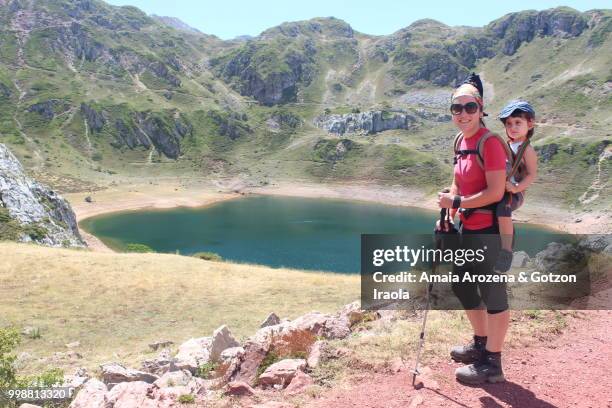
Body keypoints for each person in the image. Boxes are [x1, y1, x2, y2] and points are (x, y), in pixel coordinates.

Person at [437, 72, 510, 384]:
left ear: (481, 109)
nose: (463, 114)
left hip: (489, 231)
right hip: (468, 228)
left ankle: (493, 364)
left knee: (493, 294)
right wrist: (449, 207)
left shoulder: (490, 143)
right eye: (457, 108)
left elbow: (495, 192)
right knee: (463, 286)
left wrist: (458, 203)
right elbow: (458, 178)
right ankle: (480, 345)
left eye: (470, 107)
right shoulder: (460, 140)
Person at [494, 100, 538, 272]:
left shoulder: (527, 150)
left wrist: (516, 188)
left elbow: (531, 174)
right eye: (509, 124)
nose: (513, 127)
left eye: (518, 122)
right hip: (501, 187)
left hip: (514, 193)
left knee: (503, 207)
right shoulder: (507, 144)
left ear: (530, 123)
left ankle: (506, 251)